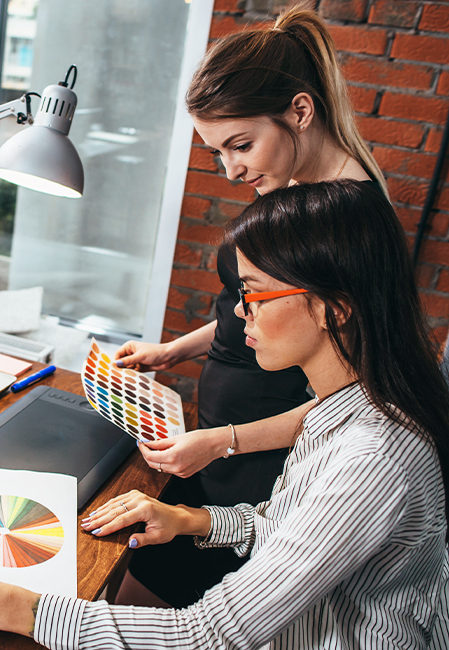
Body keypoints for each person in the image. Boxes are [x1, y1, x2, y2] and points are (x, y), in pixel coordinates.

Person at [0, 180, 449, 649]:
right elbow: (290, 531)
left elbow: (206, 635)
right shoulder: (342, 406)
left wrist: (4, 603)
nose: (239, 315)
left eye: (255, 295)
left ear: (333, 310)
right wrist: (194, 521)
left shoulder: (372, 457)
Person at [111, 5, 390, 607]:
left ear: (299, 110)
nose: (231, 170)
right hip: (217, 449)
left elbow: (350, 405)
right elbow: (254, 307)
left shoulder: (341, 217)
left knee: (151, 602)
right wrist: (175, 350)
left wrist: (224, 441)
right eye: (217, 152)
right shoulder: (292, 187)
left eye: (240, 145)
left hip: (256, 467)